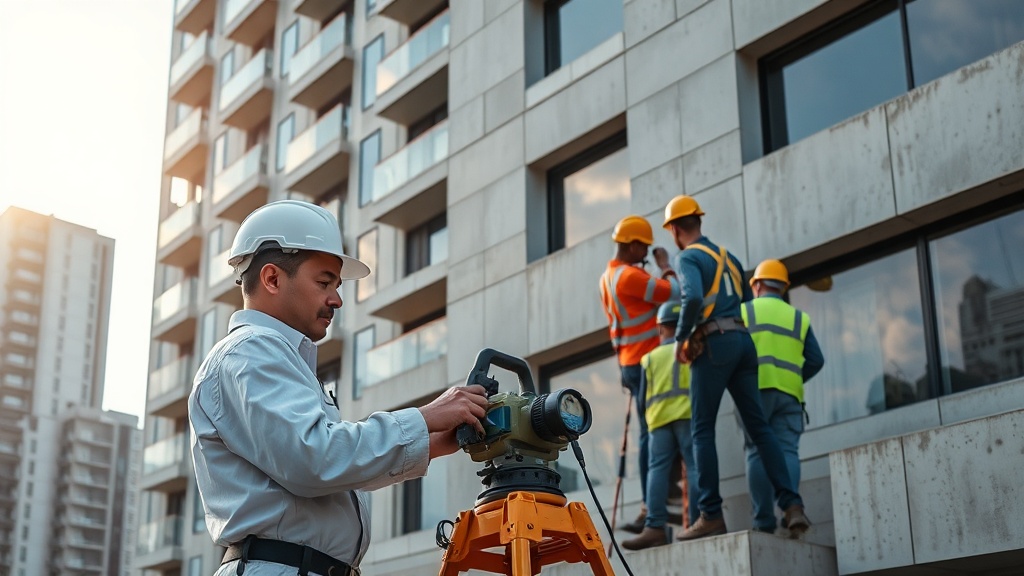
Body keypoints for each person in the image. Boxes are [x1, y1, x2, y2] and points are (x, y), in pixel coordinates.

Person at [188, 200, 490, 576]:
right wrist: (423, 418)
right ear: (272, 279)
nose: (337, 299)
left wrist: (429, 442)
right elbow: (314, 458)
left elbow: (326, 468)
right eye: (324, 282)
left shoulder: (275, 359)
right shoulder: (250, 352)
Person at [662, 194, 811, 541]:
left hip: (714, 345)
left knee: (701, 430)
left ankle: (710, 514)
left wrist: (682, 338)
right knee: (761, 430)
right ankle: (792, 506)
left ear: (673, 229)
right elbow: (743, 304)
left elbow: (694, 297)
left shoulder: (687, 256)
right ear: (698, 220)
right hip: (744, 343)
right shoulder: (730, 258)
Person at [599, 215, 680, 533]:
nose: (646, 254)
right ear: (631, 245)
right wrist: (665, 263)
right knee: (654, 433)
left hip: (630, 364)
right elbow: (672, 292)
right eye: (643, 249)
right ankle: (653, 503)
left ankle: (657, 500)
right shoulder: (629, 276)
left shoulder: (608, 276)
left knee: (651, 433)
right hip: (647, 361)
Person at [741, 259, 824, 534]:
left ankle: (763, 521)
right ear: (783, 287)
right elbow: (816, 359)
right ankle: (793, 512)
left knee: (756, 451)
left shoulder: (744, 312)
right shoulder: (798, 317)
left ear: (758, 284)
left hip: (755, 393)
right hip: (790, 395)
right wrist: (792, 378)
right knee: (787, 451)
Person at [622, 302, 698, 550]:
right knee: (694, 468)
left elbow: (642, 401)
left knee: (657, 471)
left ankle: (654, 526)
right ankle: (698, 520)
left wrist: (650, 422)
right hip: (688, 417)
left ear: (660, 328)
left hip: (659, 424)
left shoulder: (649, 358)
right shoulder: (689, 350)